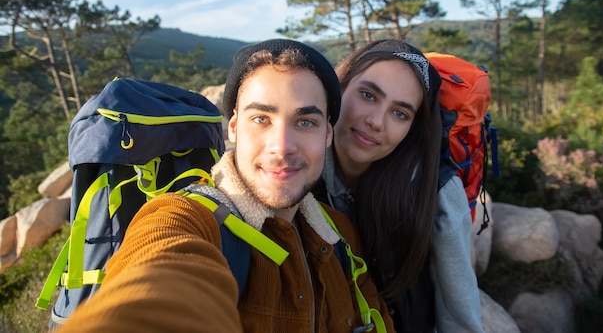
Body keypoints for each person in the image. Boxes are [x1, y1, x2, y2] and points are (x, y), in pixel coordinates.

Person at [56, 39, 393, 333]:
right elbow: (158, 276)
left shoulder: (339, 234)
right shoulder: (185, 218)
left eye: (305, 121)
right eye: (261, 119)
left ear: (328, 134)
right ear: (233, 128)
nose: (283, 145)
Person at [313, 39, 484, 333]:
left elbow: (459, 317)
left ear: (412, 129)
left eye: (400, 113)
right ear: (338, 89)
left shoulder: (436, 192)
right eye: (368, 95)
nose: (376, 121)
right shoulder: (299, 167)